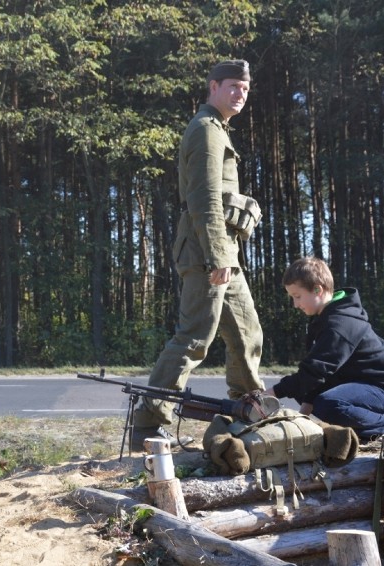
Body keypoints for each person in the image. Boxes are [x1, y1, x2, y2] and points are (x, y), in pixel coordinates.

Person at [130, 60, 265, 451]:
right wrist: (219, 256)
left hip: (224, 252)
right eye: (233, 87)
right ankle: (149, 423)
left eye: (245, 88)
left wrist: (227, 254)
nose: (240, 94)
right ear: (213, 87)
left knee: (246, 331)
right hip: (209, 253)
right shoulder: (205, 130)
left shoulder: (218, 130)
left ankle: (248, 408)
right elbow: (203, 199)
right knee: (194, 338)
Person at [264, 257, 384, 442]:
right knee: (305, 390)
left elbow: (315, 372)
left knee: (328, 403)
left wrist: (273, 392)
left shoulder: (340, 324)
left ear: (317, 289)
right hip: (359, 384)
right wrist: (301, 419)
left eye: (297, 296)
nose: (295, 304)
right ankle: (363, 432)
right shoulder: (323, 319)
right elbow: (318, 377)